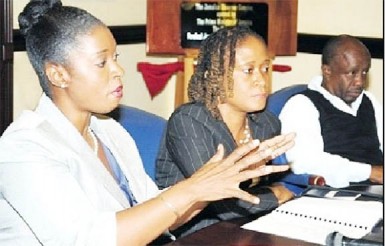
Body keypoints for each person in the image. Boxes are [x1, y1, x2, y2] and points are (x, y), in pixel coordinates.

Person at [0, 1, 295, 245]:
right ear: (58, 74)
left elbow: (159, 215)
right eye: (102, 63)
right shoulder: (23, 148)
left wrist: (212, 186)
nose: (118, 70)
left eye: (115, 57)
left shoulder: (110, 130)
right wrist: (192, 189)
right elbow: (88, 240)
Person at [155, 26, 296, 237]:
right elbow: (224, 203)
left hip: (247, 227)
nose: (261, 79)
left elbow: (256, 191)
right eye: (249, 70)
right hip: (191, 234)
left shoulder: (267, 123)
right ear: (216, 75)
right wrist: (276, 195)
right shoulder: (189, 121)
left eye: (265, 68)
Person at [279, 34, 383, 188]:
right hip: (336, 193)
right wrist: (369, 172)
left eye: (364, 72)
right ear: (327, 71)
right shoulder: (302, 105)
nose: (360, 81)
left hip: (376, 190)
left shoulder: (369, 101)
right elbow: (304, 161)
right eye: (351, 73)